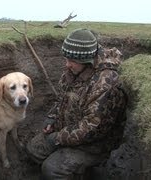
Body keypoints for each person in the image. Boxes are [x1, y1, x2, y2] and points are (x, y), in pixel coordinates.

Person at [26, 28, 128, 180]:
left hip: (95, 143)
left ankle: (86, 172)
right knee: (33, 149)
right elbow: (62, 98)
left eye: (71, 60)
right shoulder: (74, 69)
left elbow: (92, 129)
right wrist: (52, 118)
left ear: (86, 60)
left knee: (52, 169)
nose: (67, 65)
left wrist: (57, 138)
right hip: (68, 131)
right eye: (66, 59)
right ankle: (77, 168)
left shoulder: (107, 83)